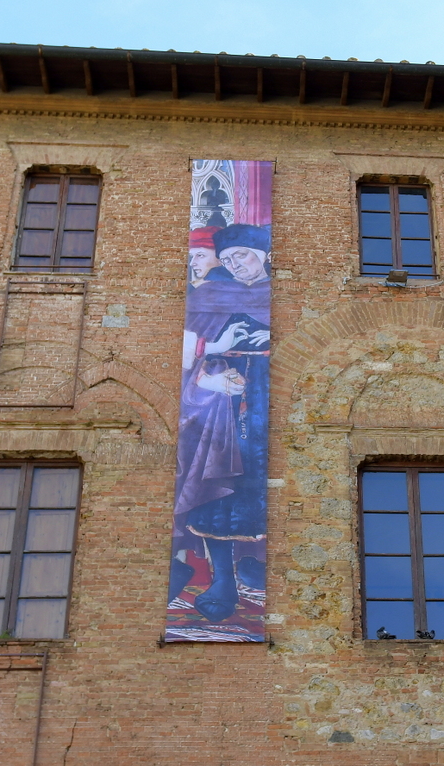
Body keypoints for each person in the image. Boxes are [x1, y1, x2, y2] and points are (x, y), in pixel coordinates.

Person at [171, 223, 273, 623]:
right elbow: (186, 356)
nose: (236, 265)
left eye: (242, 256)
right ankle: (223, 581)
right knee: (217, 494)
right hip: (221, 411)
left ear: (263, 255)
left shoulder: (283, 291)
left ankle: (256, 565)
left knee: (266, 487)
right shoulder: (212, 293)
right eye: (228, 260)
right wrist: (209, 377)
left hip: (269, 403)